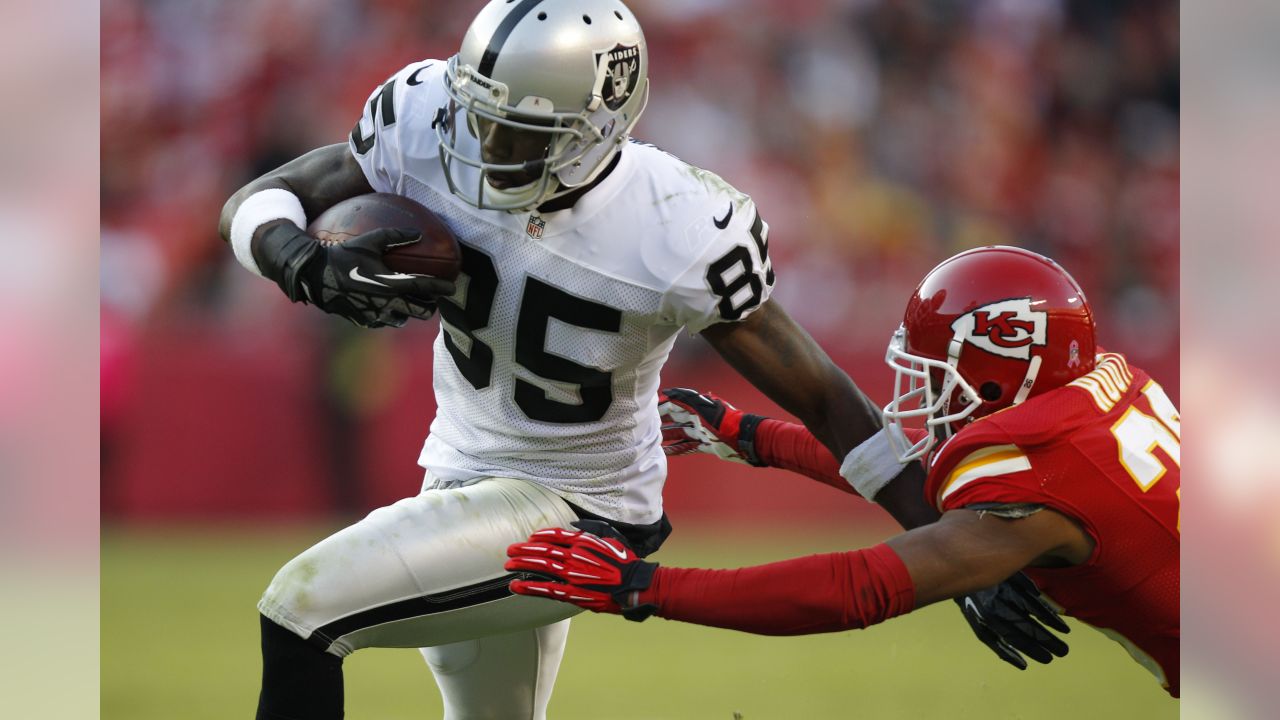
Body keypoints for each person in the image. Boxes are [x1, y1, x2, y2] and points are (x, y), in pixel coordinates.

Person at [218, 1, 1065, 717]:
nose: (480, 145)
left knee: (302, 609)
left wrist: (951, 551)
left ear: (594, 131)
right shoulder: (425, 116)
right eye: (479, 114)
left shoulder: (673, 227)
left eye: (516, 133)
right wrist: (299, 258)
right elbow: (261, 198)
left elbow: (826, 400)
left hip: (577, 506)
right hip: (458, 476)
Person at [507, 246, 1181, 697]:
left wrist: (646, 586)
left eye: (938, 377)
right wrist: (749, 435)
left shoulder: (1039, 479)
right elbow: (915, 476)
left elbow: (861, 587)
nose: (923, 397)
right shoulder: (1094, 396)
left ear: (1008, 377)